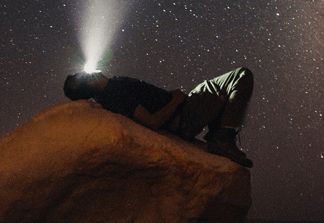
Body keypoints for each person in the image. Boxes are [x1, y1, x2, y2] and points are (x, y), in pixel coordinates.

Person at [63, 67, 254, 168]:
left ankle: (218, 136)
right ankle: (222, 139)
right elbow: (151, 121)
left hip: (183, 106)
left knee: (217, 89)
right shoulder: (114, 94)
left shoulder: (115, 86)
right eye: (83, 74)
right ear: (89, 81)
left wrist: (171, 96)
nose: (89, 70)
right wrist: (175, 101)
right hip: (183, 115)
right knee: (241, 76)